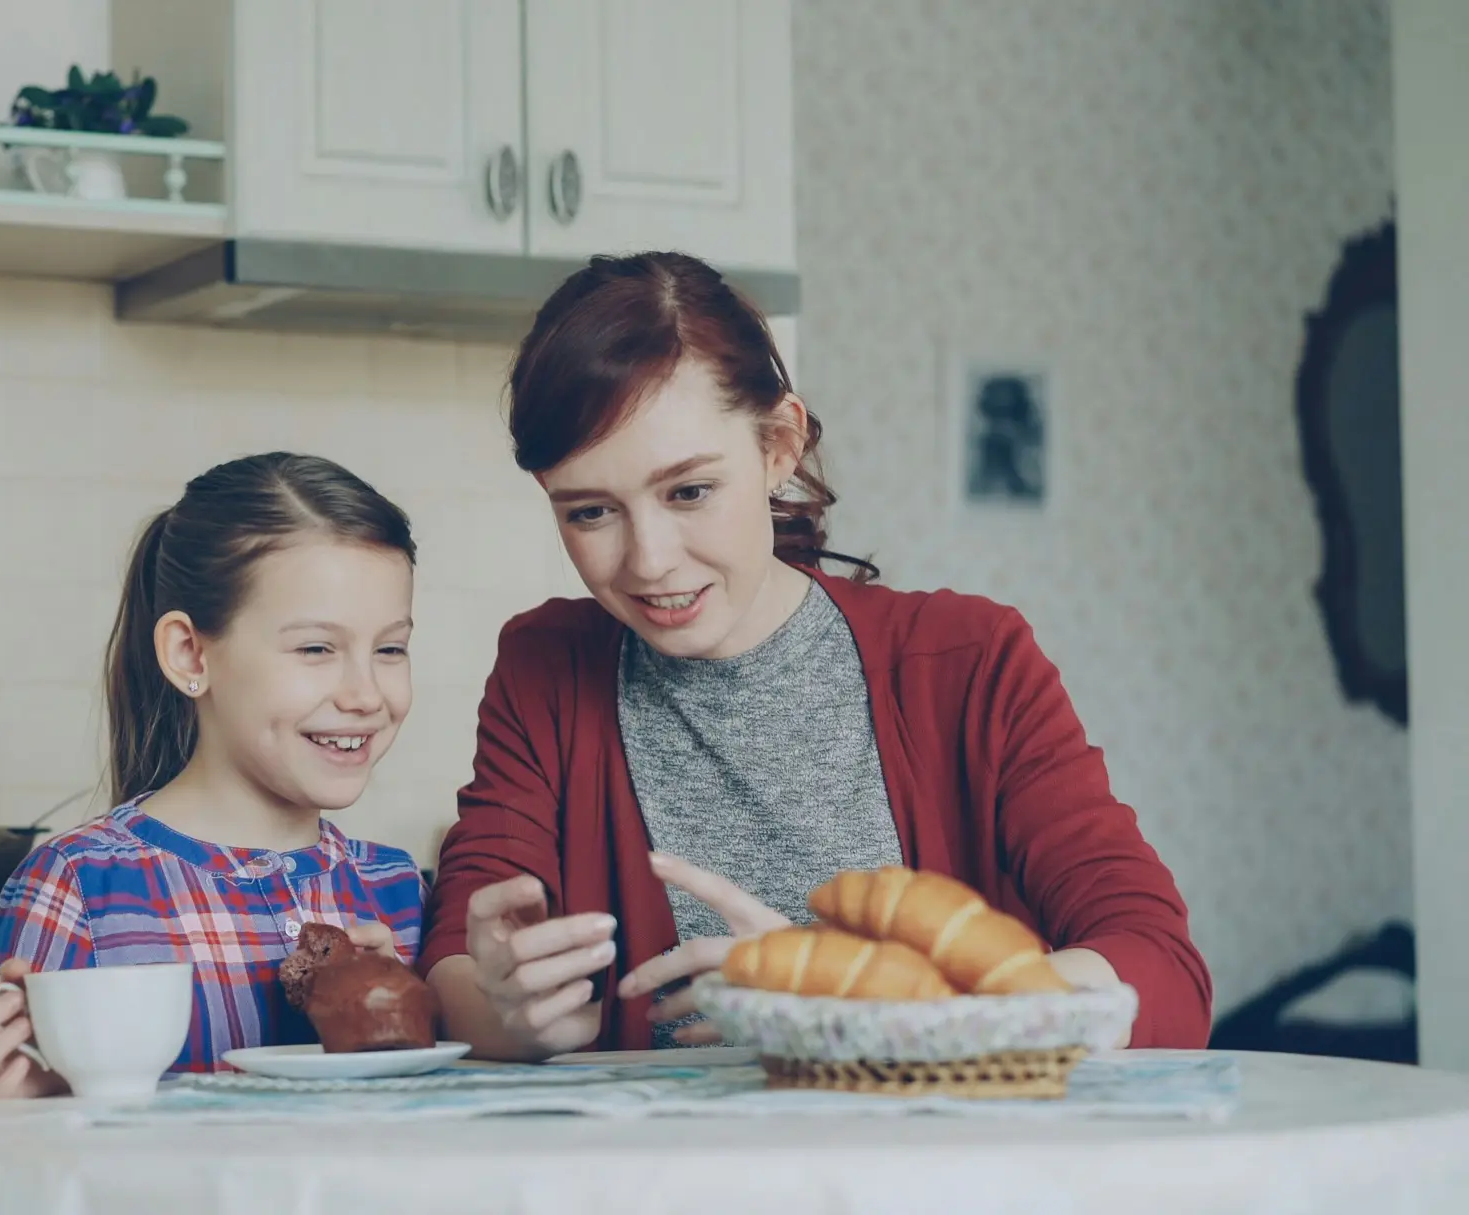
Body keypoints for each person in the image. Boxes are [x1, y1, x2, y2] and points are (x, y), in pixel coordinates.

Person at [419, 251, 1212, 1059]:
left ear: (779, 445)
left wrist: (883, 1001)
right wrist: (504, 1009)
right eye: (591, 512)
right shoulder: (545, 668)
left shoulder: (970, 662)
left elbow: (1161, 970)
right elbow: (457, 970)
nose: (649, 559)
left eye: (689, 491)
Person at [0, 452, 427, 1099]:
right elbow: (13, 1178)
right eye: (316, 648)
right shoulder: (80, 889)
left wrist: (406, 1022)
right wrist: (23, 1106)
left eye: (390, 648)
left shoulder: (397, 891)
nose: (366, 694)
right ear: (190, 653)